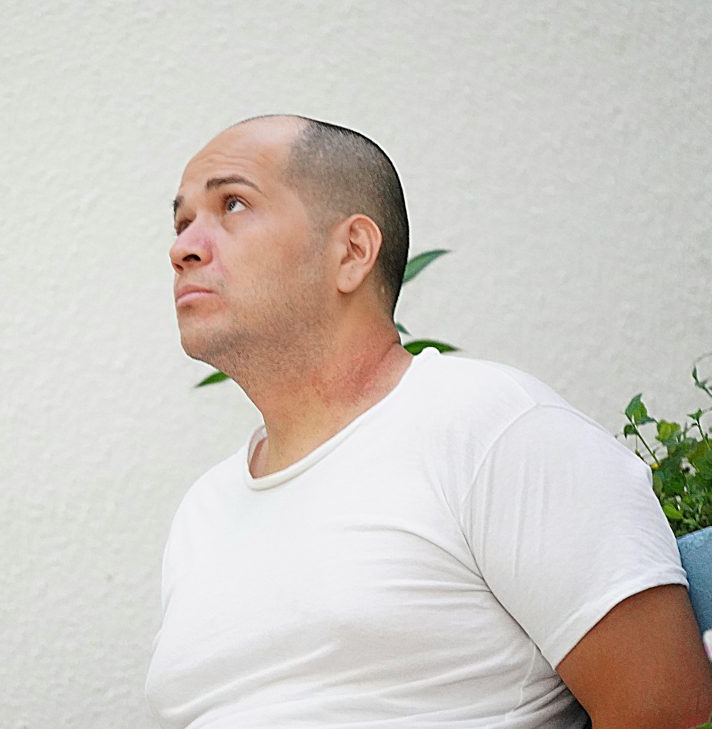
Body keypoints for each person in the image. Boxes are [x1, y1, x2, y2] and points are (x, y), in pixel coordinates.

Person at [144, 115, 712, 728]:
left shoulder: (493, 427)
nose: (182, 249)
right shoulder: (203, 510)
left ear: (352, 251)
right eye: (181, 223)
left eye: (232, 204)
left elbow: (669, 712)